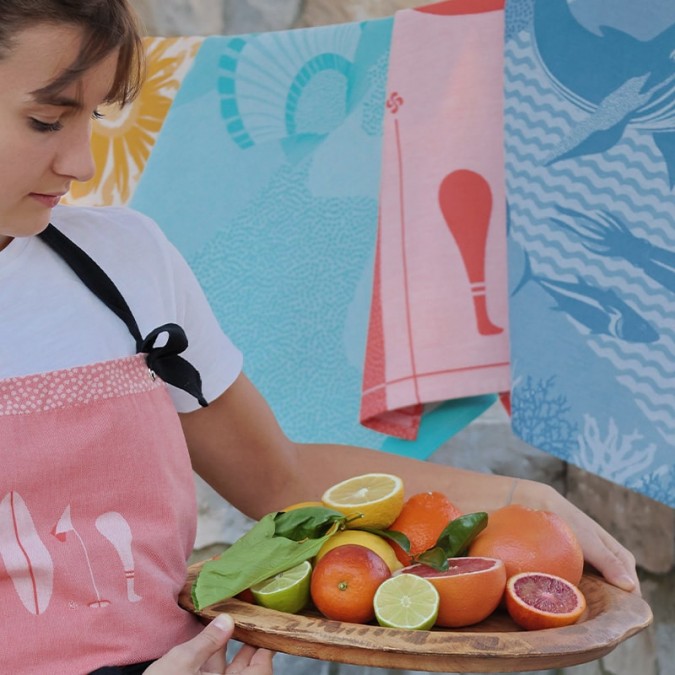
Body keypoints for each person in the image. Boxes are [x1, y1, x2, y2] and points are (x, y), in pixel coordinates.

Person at [0, 1, 639, 673]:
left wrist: (517, 501)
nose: (83, 163)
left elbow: (281, 478)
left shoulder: (126, 261)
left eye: (94, 116)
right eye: (46, 119)